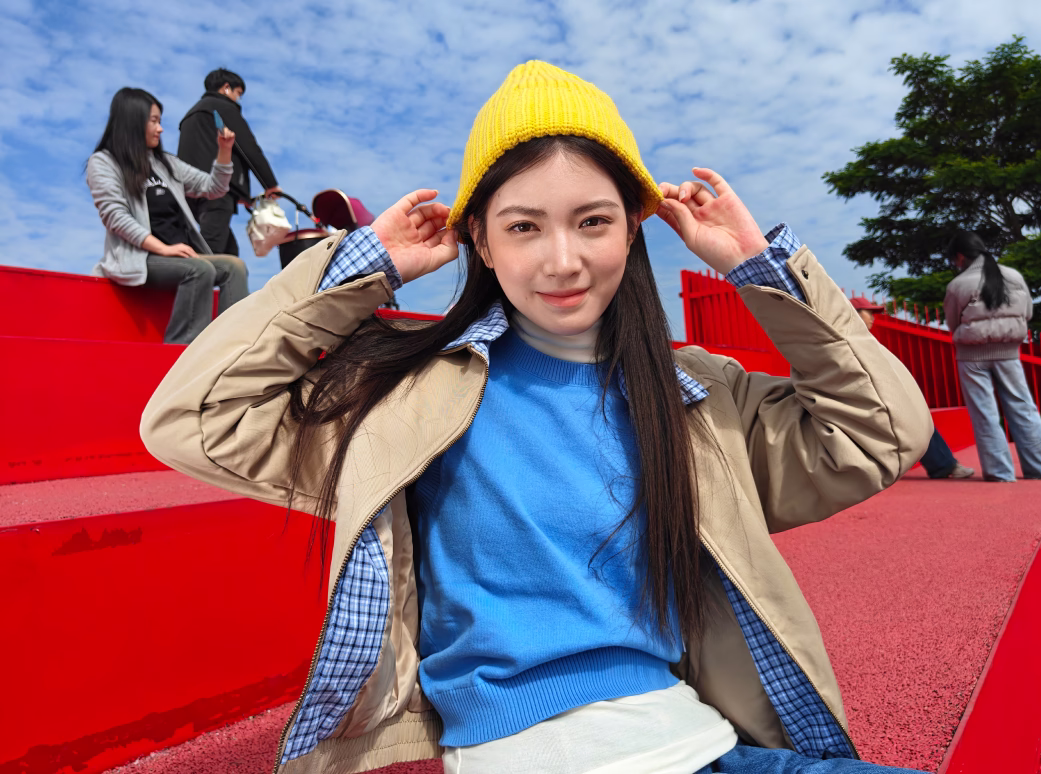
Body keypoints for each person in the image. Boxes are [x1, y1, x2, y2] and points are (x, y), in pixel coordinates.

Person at [141, 62, 933, 773]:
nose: (563, 260)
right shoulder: (408, 394)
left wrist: (756, 268)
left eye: (593, 221)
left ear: (633, 229)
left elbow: (881, 431)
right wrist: (365, 269)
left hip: (706, 745)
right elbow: (193, 416)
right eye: (524, 226)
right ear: (480, 241)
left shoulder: (695, 396)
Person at [86, 87, 249, 345]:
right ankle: (181, 351)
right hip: (143, 257)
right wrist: (163, 249)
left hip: (179, 256)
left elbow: (214, 188)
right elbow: (115, 217)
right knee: (199, 270)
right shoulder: (104, 162)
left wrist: (224, 150)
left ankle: (230, 347)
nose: (160, 129)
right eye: (154, 121)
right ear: (133, 120)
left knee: (234, 267)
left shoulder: (165, 164)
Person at [943, 230, 1041, 482]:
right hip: (1009, 353)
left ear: (960, 257)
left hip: (971, 357)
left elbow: (952, 322)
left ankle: (1000, 472)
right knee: (1023, 407)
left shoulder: (957, 285)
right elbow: (1028, 312)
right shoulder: (1013, 276)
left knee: (984, 414)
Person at [851, 297, 974, 480]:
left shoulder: (863, 339)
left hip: (870, 398)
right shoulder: (851, 339)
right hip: (860, 400)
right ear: (855, 314)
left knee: (916, 417)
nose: (873, 318)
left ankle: (943, 465)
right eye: (869, 313)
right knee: (914, 420)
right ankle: (943, 466)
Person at [178, 68, 282, 256]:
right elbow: (248, 147)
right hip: (216, 189)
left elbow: (200, 155)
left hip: (190, 191)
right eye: (238, 93)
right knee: (211, 251)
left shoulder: (190, 116)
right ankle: (194, 273)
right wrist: (270, 184)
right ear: (226, 87)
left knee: (229, 253)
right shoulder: (223, 107)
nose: (238, 99)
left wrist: (241, 194)